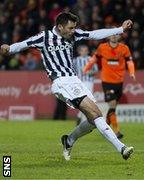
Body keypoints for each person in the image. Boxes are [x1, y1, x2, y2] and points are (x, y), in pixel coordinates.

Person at [0, 12, 134, 161]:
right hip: (61, 82)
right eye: (70, 28)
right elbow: (23, 45)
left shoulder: (74, 34)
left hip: (75, 81)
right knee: (96, 115)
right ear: (60, 26)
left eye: (74, 28)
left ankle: (68, 140)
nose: (72, 31)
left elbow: (94, 34)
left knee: (93, 120)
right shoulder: (44, 37)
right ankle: (121, 148)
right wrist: (9, 48)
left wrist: (120, 29)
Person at [83, 33, 136, 139]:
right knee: (112, 105)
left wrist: (132, 72)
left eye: (116, 34)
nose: (114, 36)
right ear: (108, 36)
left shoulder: (124, 48)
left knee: (113, 108)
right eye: (112, 34)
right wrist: (86, 68)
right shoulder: (102, 47)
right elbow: (94, 58)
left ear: (119, 37)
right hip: (107, 81)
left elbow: (129, 61)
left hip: (119, 81)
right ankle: (116, 132)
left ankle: (105, 128)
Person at [73, 44, 98, 125]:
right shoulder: (75, 60)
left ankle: (81, 116)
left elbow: (95, 70)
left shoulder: (91, 59)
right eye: (82, 50)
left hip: (88, 82)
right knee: (81, 100)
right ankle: (83, 116)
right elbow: (72, 71)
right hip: (79, 83)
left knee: (89, 99)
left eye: (86, 50)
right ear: (79, 52)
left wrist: (89, 72)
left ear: (88, 51)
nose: (84, 52)